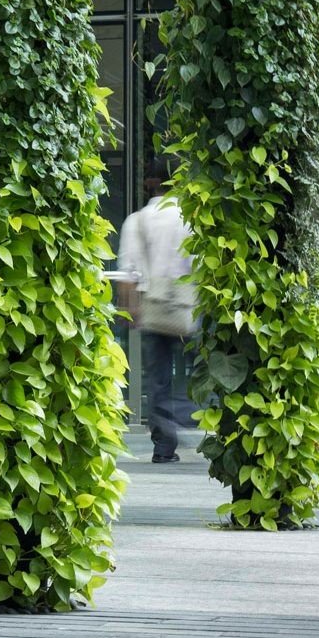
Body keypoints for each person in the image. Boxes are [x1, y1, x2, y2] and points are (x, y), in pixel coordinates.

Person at [117, 156, 195, 464]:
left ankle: (164, 446)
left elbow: (128, 272)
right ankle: (192, 419)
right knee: (196, 370)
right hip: (188, 308)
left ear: (150, 183)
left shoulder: (137, 220)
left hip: (154, 310)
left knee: (159, 379)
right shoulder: (189, 218)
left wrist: (130, 311)